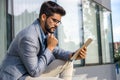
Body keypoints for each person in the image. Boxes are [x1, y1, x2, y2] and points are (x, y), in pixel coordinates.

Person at [0, 1, 87, 80]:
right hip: (18, 77)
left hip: (30, 73)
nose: (56, 25)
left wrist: (73, 55)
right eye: (54, 20)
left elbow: (56, 51)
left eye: (58, 22)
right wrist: (50, 48)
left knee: (68, 62)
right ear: (43, 17)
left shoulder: (44, 32)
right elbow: (35, 72)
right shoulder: (29, 37)